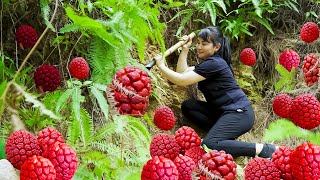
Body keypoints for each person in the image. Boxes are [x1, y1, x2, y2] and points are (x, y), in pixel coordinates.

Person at [154, 26, 276, 158]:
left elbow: (181, 80)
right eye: (198, 43)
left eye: (204, 44)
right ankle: (222, 139)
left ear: (216, 47)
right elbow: (182, 72)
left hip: (239, 113)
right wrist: (185, 49)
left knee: (210, 144)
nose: (199, 47)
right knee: (188, 106)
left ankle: (264, 149)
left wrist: (161, 66)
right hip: (222, 112)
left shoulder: (215, 64)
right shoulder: (210, 64)